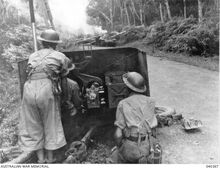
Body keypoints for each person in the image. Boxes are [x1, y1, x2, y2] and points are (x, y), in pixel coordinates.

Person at [19, 29, 81, 163]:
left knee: (33, 124)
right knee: (51, 123)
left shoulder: (32, 56)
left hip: (28, 88)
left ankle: (41, 160)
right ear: (56, 44)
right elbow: (64, 81)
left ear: (42, 43)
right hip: (46, 88)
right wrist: (66, 101)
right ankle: (50, 159)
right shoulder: (60, 56)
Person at [109, 72, 158, 163]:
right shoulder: (151, 101)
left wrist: (119, 147)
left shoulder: (123, 103)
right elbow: (154, 129)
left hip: (132, 148)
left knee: (114, 156)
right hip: (149, 146)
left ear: (127, 88)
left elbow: (118, 135)